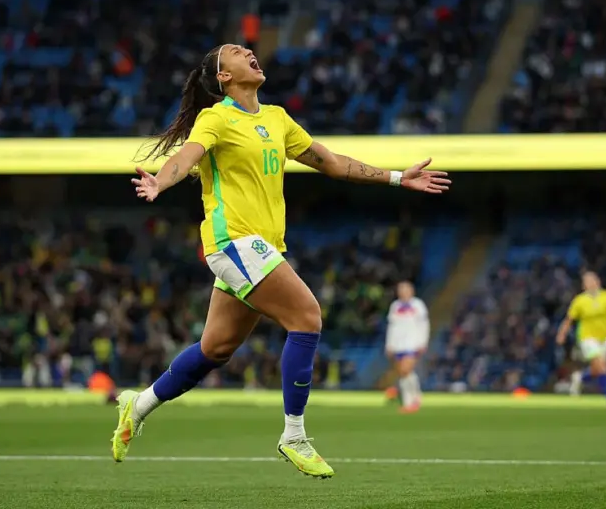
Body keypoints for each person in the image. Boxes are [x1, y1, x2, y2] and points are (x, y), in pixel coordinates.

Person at [110, 44, 451, 478]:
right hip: (233, 241)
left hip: (263, 247)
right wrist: (161, 180)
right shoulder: (215, 117)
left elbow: (330, 162)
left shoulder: (277, 119)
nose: (249, 52)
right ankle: (294, 435)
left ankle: (136, 406)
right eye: (236, 52)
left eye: (249, 49)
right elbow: (187, 156)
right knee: (307, 317)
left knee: (215, 348)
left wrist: (399, 177)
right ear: (224, 77)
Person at [556, 271, 606, 418]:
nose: (590, 284)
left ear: (598, 282)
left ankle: (580, 378)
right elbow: (568, 320)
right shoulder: (579, 301)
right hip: (587, 338)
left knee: (597, 369)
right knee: (603, 368)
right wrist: (562, 334)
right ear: (584, 286)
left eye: (593, 280)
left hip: (605, 338)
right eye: (587, 282)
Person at [384, 281, 430, 413]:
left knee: (406, 369)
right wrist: (389, 344)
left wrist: (423, 342)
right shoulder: (395, 306)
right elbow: (391, 327)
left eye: (405, 289)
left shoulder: (418, 305)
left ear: (411, 291)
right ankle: (415, 397)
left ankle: (410, 401)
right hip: (398, 344)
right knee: (403, 373)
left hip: (412, 343)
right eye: (401, 289)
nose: (403, 292)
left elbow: (424, 325)